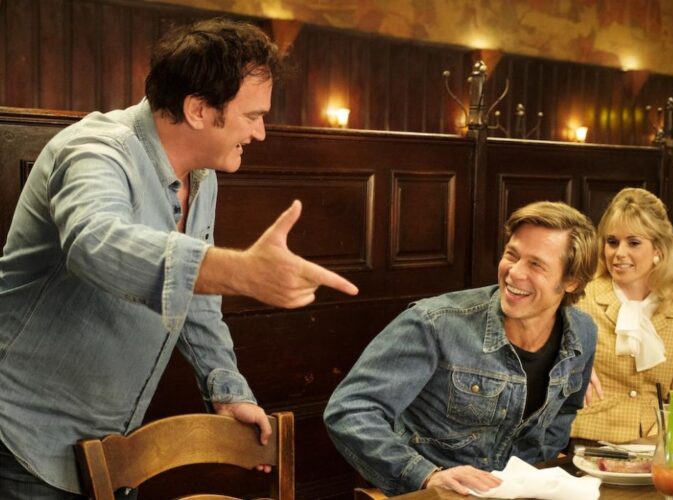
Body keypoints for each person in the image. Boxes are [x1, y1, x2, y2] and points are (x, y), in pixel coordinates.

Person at [0, 18, 358, 499]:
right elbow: (95, 243)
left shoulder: (203, 177)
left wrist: (227, 391)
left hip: (108, 447)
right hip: (21, 437)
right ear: (198, 109)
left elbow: (196, 299)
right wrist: (238, 271)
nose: (261, 132)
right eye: (252, 115)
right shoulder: (95, 148)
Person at [324, 201, 598, 496]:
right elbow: (350, 409)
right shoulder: (434, 324)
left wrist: (537, 475)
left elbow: (563, 413)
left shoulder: (582, 332)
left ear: (571, 281)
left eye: (536, 264)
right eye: (511, 255)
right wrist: (426, 476)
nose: (514, 272)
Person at [571, 188, 673, 443]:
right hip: (586, 442)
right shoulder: (578, 301)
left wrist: (660, 438)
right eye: (612, 242)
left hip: (654, 445)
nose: (619, 253)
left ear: (658, 250)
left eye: (633, 243)